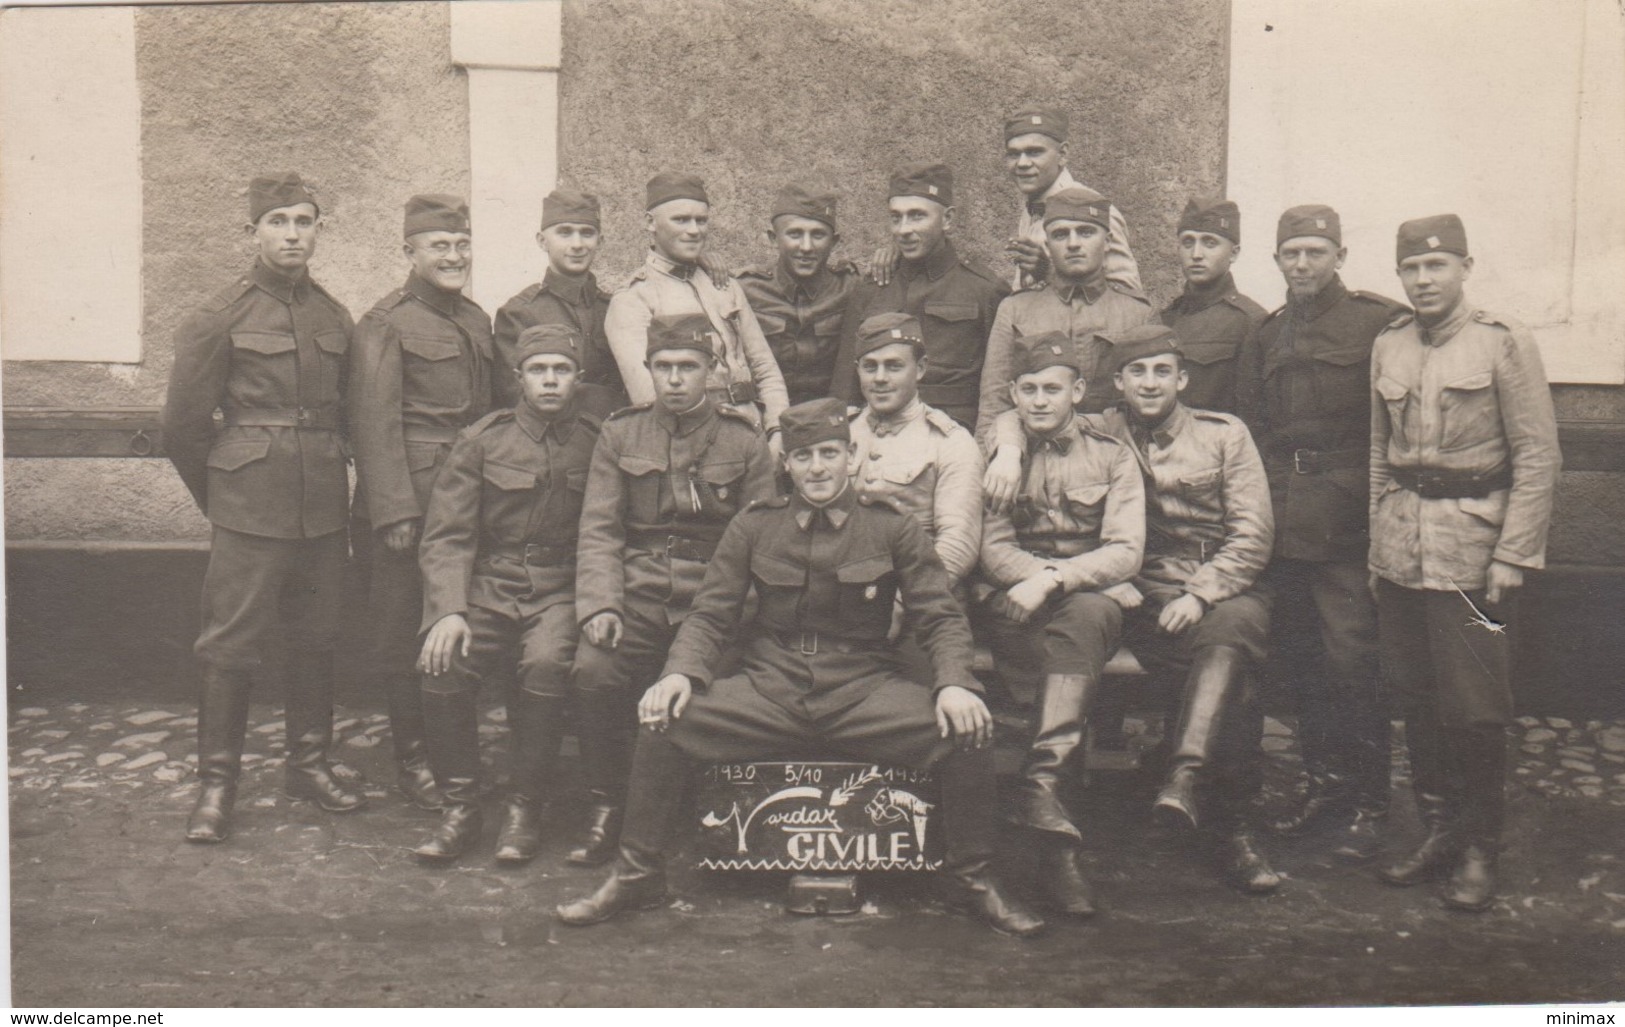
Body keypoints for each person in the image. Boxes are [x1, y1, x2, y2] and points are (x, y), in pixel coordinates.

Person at [555, 398, 1045, 938]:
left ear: (851, 456)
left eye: (829, 453)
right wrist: (678, 675)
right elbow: (711, 613)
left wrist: (955, 683)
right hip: (772, 687)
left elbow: (939, 615)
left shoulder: (892, 527)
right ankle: (638, 875)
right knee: (663, 721)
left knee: (967, 731)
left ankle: (970, 881)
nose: (817, 467)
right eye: (804, 456)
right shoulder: (755, 525)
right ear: (786, 464)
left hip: (862, 689)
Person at [163, 172, 364, 842]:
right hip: (249, 505)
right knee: (230, 644)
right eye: (278, 221)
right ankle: (217, 784)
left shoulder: (333, 316)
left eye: (304, 221)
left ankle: (308, 763)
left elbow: (347, 415)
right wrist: (224, 495)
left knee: (319, 635)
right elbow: (184, 428)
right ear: (254, 230)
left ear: (317, 229)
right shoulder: (221, 315)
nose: (292, 234)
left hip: (322, 506)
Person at [1369, 215, 1560, 911]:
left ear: (1464, 268)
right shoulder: (1387, 344)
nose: (1422, 280)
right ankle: (1438, 832)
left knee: (1475, 710)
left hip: (1472, 552)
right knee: (1414, 699)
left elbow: (1538, 454)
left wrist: (1513, 551)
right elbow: (1376, 454)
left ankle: (1480, 845)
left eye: (1436, 266)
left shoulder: (1500, 344)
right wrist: (1373, 548)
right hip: (1399, 549)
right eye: (1411, 269)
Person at [569, 313, 777, 866]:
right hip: (636, 595)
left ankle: (697, 806)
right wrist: (600, 604)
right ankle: (606, 803)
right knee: (593, 671)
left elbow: (759, 544)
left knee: (714, 689)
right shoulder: (620, 432)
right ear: (649, 370)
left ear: (712, 370)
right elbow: (599, 529)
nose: (676, 379)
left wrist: (735, 613)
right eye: (664, 367)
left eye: (689, 367)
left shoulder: (744, 440)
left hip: (715, 602)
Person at [1235, 204, 1408, 861]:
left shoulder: (1376, 321)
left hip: (1346, 520)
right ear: (1276, 260)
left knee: (1351, 661)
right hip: (1284, 516)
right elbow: (1251, 422)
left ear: (1338, 254)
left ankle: (1368, 802)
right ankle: (1322, 785)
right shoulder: (1267, 332)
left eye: (1314, 251)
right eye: (1290, 253)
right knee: (1302, 660)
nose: (1301, 264)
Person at [1086, 324, 1281, 893]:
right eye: (1138, 373)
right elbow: (1023, 421)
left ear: (1183, 379)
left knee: (1232, 636)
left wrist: (1201, 592)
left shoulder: (1225, 435)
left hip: (1218, 584)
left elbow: (1252, 535)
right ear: (1119, 382)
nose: (1150, 384)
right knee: (1231, 671)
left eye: (1162, 372)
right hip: (1140, 590)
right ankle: (1223, 820)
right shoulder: (1099, 431)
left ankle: (1189, 780)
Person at [412, 324, 602, 863]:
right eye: (538, 370)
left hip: (561, 589)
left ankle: (525, 809)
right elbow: (447, 535)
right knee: (443, 660)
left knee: (545, 664)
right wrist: (448, 610)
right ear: (518, 378)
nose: (549, 381)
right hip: (488, 587)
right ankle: (461, 810)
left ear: (578, 379)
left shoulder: (598, 440)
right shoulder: (483, 439)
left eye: (560, 371)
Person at [973, 331, 1145, 916]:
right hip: (1013, 603)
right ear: (1013, 394)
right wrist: (1037, 580)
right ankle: (1055, 845)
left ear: (1078, 391)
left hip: (1074, 599)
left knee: (1089, 618)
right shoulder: (996, 459)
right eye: (1028, 389)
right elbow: (993, 551)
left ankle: (1045, 814)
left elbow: (1125, 550)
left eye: (1053, 388)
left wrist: (1053, 578)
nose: (1040, 401)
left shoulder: (1112, 453)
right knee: (1064, 670)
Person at [349, 193, 495, 810]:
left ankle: (455, 751)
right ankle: (413, 760)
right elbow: (373, 422)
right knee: (400, 631)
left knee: (453, 618)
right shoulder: (386, 322)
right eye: (440, 246)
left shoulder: (477, 319)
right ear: (409, 251)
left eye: (462, 244)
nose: (454, 256)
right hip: (410, 499)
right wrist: (394, 512)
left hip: (469, 498)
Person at [977, 187, 1152, 511]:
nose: (1073, 243)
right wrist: (1000, 461)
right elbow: (994, 404)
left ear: (1109, 241)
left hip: (1111, 477)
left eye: (1086, 232)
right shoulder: (1016, 310)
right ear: (1047, 243)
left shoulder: (1137, 314)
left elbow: (1145, 412)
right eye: (1060, 234)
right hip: (1030, 477)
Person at [604, 172, 789, 453]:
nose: (694, 230)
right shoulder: (633, 299)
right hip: (696, 446)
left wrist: (777, 432)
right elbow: (651, 400)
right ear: (650, 223)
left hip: (755, 434)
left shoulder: (725, 286)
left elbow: (765, 369)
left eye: (701, 220)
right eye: (681, 220)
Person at [869, 107, 1141, 294]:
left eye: (1034, 152)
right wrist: (900, 249)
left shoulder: (1091, 209)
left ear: (1063, 154)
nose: (1022, 163)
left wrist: (1049, 272)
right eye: (1014, 154)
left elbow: (1127, 298)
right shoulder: (1032, 207)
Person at [831, 162, 1008, 430]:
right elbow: (845, 384)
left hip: (955, 434)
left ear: (947, 219)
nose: (903, 229)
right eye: (896, 217)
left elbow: (1000, 385)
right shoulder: (871, 288)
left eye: (917, 216)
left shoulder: (985, 289)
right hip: (880, 434)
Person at [848, 312, 985, 589]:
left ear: (920, 368)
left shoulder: (951, 442)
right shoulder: (841, 431)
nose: (880, 378)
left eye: (894, 366)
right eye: (870, 367)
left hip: (921, 595)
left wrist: (906, 602)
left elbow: (958, 545)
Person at [493, 188, 626, 419]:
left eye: (587, 233)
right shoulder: (519, 313)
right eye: (565, 233)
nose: (577, 244)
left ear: (600, 241)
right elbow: (513, 395)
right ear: (542, 241)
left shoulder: (616, 308)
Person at [737, 181, 863, 405]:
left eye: (818, 235)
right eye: (794, 234)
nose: (806, 246)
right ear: (773, 238)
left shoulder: (851, 287)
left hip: (829, 417)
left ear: (834, 241)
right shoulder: (746, 289)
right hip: (768, 414)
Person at [1158, 198, 1266, 413]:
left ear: (1234, 253)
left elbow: (1253, 413)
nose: (1196, 254)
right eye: (1188, 242)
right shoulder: (1165, 319)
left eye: (1210, 243)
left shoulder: (1251, 320)